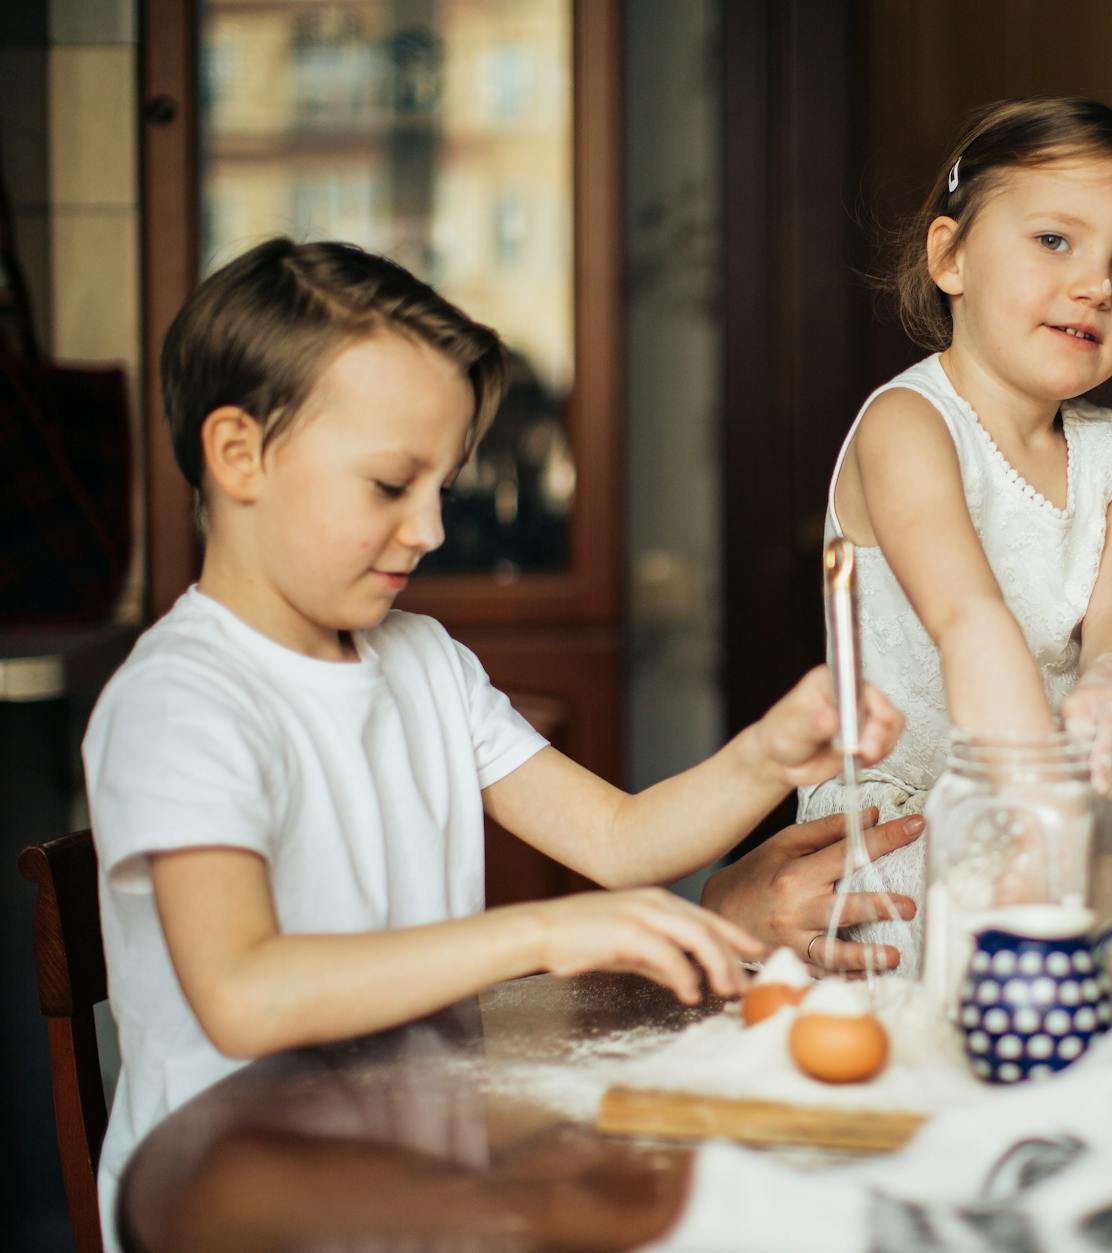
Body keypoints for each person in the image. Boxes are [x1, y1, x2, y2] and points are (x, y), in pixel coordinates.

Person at [81, 237, 902, 1247]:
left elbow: (620, 837)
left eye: (444, 486)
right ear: (239, 454)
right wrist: (538, 935)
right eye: (389, 485)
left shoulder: (420, 658)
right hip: (237, 1197)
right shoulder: (184, 699)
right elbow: (244, 995)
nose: (428, 527)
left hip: (410, 1160)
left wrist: (766, 757)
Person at [795, 97, 1112, 975]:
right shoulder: (907, 424)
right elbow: (969, 618)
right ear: (951, 255)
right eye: (1055, 240)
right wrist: (1035, 800)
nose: (1096, 285)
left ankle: (1090, 965)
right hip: (916, 796)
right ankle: (1058, 964)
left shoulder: (1111, 451)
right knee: (933, 908)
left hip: (1058, 795)